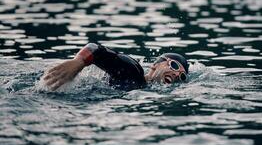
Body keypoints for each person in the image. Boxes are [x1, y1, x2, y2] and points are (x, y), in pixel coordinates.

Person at [43, 43, 189, 91]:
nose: (176, 75)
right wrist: (78, 62)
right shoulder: (133, 70)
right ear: (155, 65)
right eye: (174, 66)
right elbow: (95, 48)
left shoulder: (146, 90)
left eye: (181, 76)